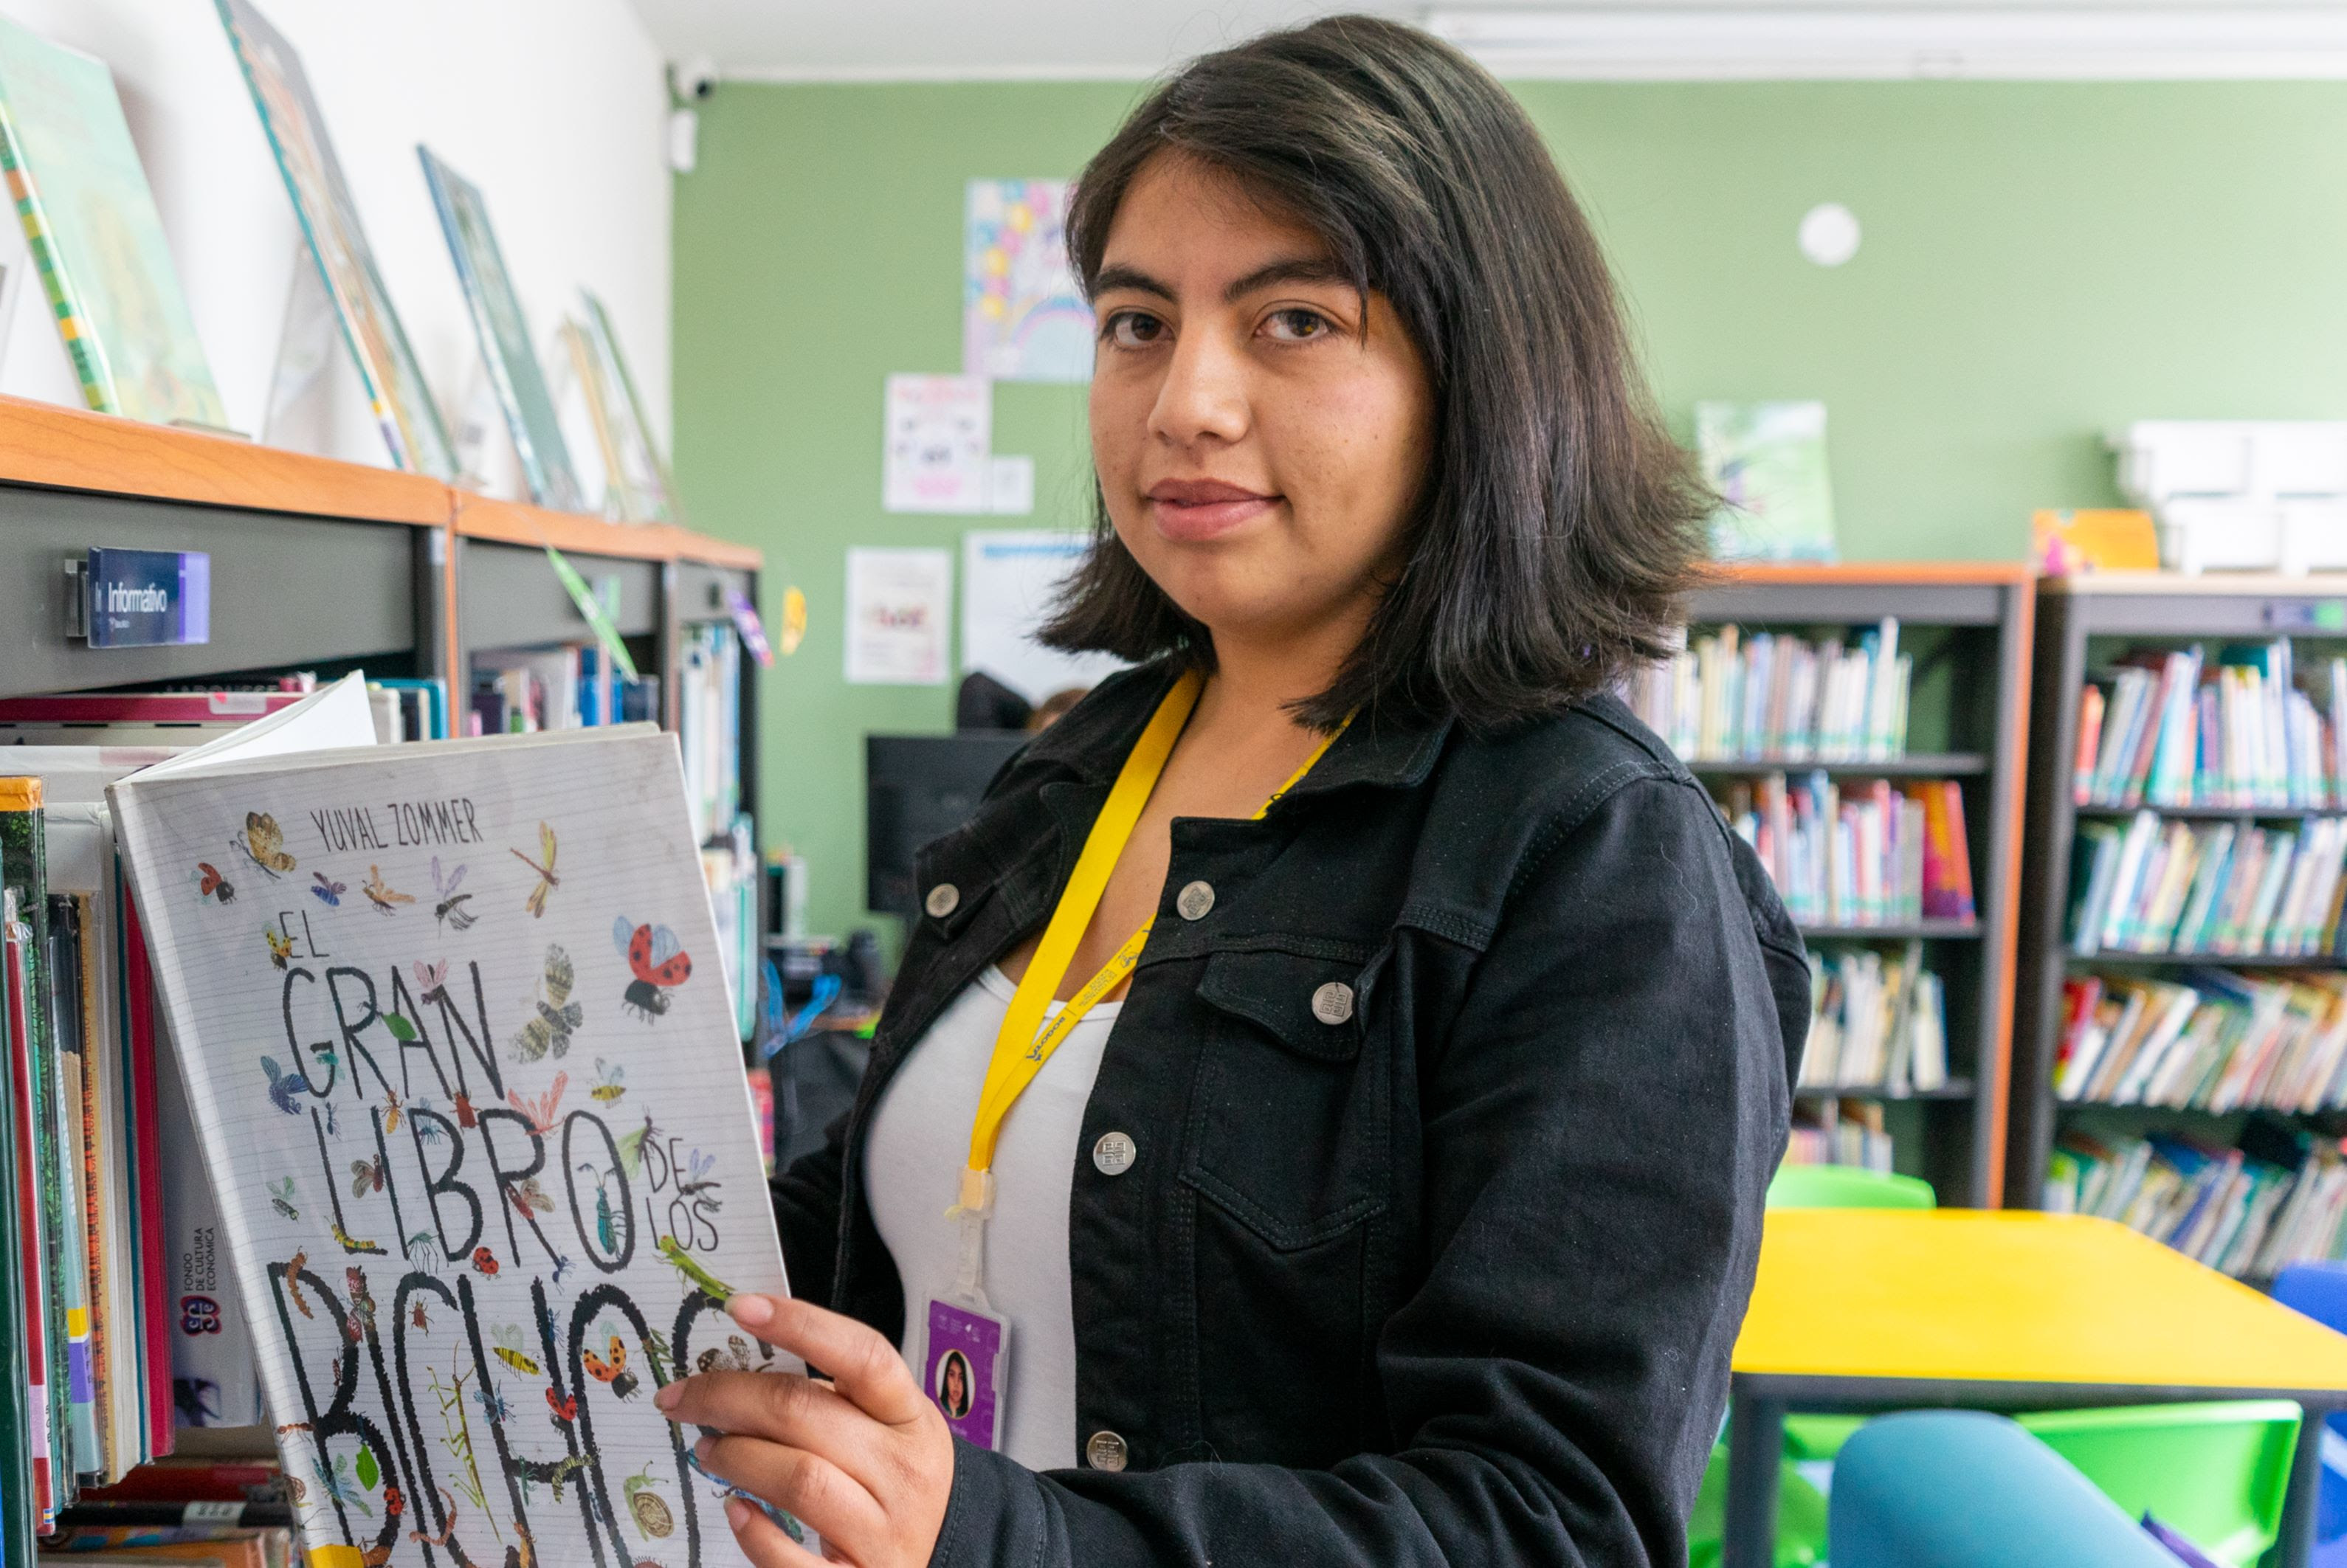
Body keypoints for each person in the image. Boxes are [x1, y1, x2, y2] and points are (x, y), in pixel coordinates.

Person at [655, 15, 1804, 1567]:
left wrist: (1003, 1537)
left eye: (1295, 322)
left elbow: (1553, 1520)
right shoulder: (1072, 766)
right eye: (1137, 322)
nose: (1183, 399)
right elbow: (920, 1226)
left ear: (1481, 374)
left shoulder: (1595, 856)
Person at [938, 1350, 973, 1420]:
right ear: (946, 1378)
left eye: (961, 1378)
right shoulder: (937, 1409)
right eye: (952, 1375)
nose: (956, 1383)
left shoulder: (969, 1416)